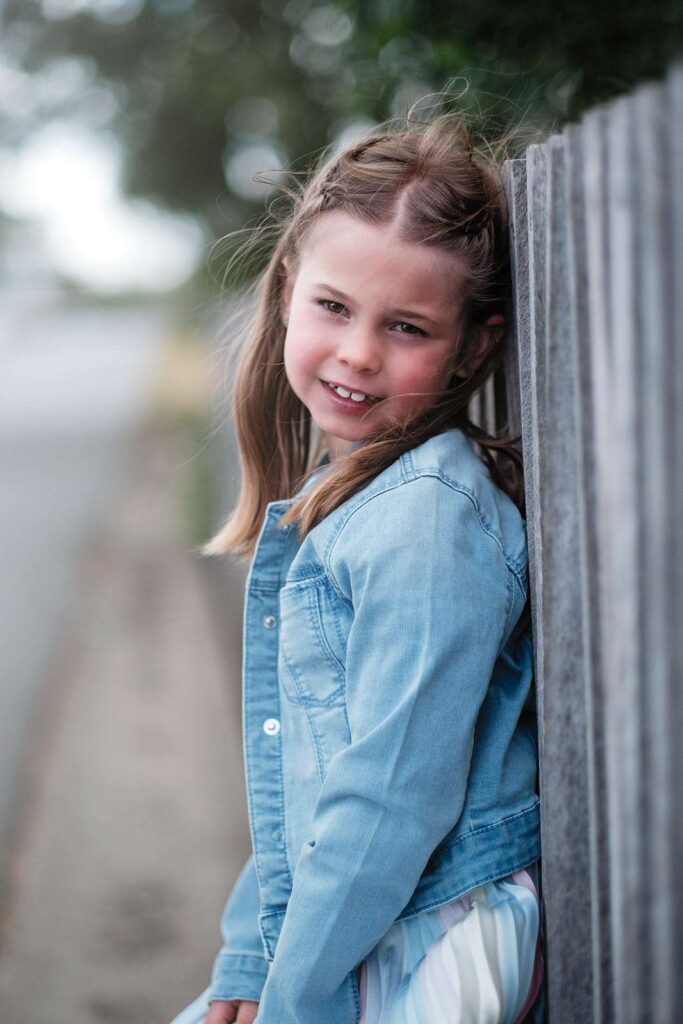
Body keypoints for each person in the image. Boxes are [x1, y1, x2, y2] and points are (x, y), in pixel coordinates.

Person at [169, 107, 545, 1024]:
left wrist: (290, 999)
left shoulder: (424, 524)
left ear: (475, 344)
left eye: (407, 327)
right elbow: (307, 786)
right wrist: (248, 965)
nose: (357, 353)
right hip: (357, 922)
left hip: (430, 932)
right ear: (288, 284)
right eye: (334, 307)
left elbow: (386, 805)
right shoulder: (356, 500)